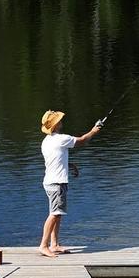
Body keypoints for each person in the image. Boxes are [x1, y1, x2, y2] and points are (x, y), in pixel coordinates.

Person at [39, 110, 101, 257]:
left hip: (50, 182)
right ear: (55, 125)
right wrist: (93, 131)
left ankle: (54, 244)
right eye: (59, 121)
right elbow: (82, 140)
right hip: (56, 183)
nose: (61, 122)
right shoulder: (61, 139)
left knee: (57, 213)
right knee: (54, 214)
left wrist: (70, 165)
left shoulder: (46, 141)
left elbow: (55, 159)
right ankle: (43, 245)